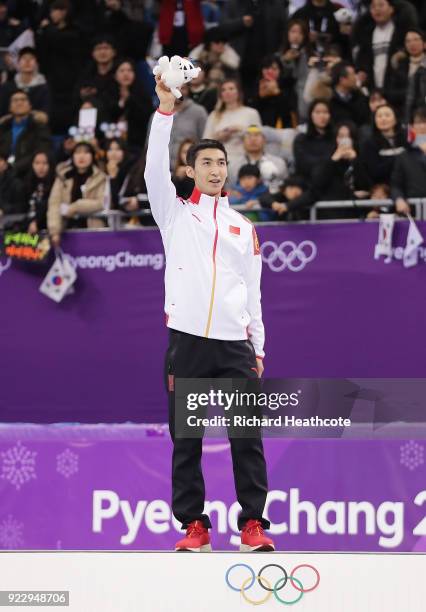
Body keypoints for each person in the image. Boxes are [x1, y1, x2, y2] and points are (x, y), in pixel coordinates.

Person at [144, 73, 274, 553]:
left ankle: (252, 524)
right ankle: (194, 526)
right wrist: (164, 111)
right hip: (188, 345)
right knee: (187, 440)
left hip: (235, 347)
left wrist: (257, 348)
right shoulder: (175, 214)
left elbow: (254, 294)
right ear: (191, 170)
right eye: (207, 163)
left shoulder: (244, 228)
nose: (217, 169)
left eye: (222, 162)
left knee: (247, 440)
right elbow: (152, 171)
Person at [47, 142, 108, 246]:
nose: (81, 156)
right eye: (77, 152)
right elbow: (54, 204)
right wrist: (54, 231)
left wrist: (75, 207)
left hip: (94, 232)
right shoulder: (63, 177)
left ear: (92, 156)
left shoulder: (101, 177)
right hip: (67, 232)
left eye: (86, 152)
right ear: (72, 156)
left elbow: (102, 202)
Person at [353, 0, 417, 94]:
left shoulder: (403, 31)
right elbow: (361, 61)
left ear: (391, 9)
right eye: (373, 7)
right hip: (374, 90)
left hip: (399, 88)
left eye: (381, 5)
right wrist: (361, 71)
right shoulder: (366, 35)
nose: (377, 9)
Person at [203, 78, 262, 163]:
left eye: (231, 89)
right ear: (221, 95)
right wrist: (218, 137)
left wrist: (239, 129)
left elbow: (259, 136)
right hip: (219, 159)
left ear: (238, 93)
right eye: (223, 90)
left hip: (245, 158)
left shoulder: (251, 113)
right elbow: (205, 141)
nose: (227, 92)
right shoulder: (214, 115)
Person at [0, 90, 51, 177]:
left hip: (28, 174)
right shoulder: (3, 127)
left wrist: (12, 167)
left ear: (30, 106)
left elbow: (41, 152)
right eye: (15, 100)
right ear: (10, 107)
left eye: (23, 100)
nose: (19, 103)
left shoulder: (39, 127)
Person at [228, 125, 288, 194]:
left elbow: (285, 188)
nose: (253, 139)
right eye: (248, 136)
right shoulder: (232, 166)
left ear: (264, 140)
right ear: (243, 142)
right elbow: (230, 190)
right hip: (241, 202)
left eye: (257, 135)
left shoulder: (279, 163)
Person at [109, 59, 153, 152]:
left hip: (137, 145)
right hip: (112, 145)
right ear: (115, 75)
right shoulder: (109, 94)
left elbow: (146, 117)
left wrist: (130, 99)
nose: (126, 74)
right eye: (122, 71)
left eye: (129, 70)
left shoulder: (143, 94)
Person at [360, 103, 407, 185]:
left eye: (387, 115)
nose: (383, 119)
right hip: (383, 186)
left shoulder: (406, 139)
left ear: (396, 119)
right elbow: (374, 172)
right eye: (379, 116)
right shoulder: (369, 143)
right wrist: (399, 157)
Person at [391, 105, 426, 214]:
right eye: (419, 122)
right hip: (415, 212)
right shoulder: (403, 156)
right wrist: (399, 199)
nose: (423, 126)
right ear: (412, 127)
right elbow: (396, 185)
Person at [0, 47, 50, 118]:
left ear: (36, 64)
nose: (27, 61)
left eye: (31, 58)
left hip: (35, 127)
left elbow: (45, 115)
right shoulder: (5, 88)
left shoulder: (44, 88)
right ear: (18, 63)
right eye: (24, 58)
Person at [293, 99, 335, 182]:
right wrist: (331, 160)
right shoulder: (301, 139)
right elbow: (303, 164)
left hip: (331, 181)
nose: (322, 116)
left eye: (325, 112)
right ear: (310, 115)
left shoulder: (335, 139)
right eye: (318, 112)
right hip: (306, 181)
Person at [280, 19, 311, 121]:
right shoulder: (278, 56)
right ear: (287, 33)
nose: (296, 36)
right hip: (284, 101)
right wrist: (285, 61)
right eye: (293, 31)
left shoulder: (310, 56)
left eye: (300, 33)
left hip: (304, 100)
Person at [253, 55, 295, 128]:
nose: (269, 71)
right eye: (266, 68)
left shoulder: (288, 87)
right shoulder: (256, 86)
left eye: (274, 69)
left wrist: (277, 93)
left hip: (282, 130)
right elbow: (252, 112)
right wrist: (260, 97)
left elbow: (288, 114)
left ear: (280, 71)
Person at [329, 61, 370, 126]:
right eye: (353, 74)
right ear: (342, 79)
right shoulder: (328, 100)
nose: (356, 78)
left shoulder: (360, 97)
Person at [23, 150, 54, 233]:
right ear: (32, 164)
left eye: (45, 163)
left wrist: (35, 221)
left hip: (49, 228)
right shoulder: (26, 183)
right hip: (28, 229)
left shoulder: (55, 184)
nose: (41, 167)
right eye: (37, 163)